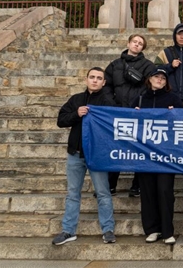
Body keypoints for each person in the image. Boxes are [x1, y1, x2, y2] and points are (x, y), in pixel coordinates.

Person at [52, 67, 117, 246]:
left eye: (99, 78)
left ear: (104, 82)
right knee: (73, 193)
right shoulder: (76, 99)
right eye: (92, 77)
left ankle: (108, 230)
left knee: (103, 193)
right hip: (75, 153)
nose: (95, 80)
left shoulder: (108, 101)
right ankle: (68, 230)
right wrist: (76, 114)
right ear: (86, 79)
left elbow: (116, 123)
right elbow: (61, 120)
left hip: (97, 155)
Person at [103, 33, 155, 197]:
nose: (137, 44)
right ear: (128, 43)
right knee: (116, 148)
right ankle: (110, 185)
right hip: (118, 112)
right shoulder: (115, 65)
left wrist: (142, 104)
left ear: (143, 48)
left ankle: (137, 186)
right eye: (134, 41)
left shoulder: (148, 65)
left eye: (140, 43)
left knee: (140, 149)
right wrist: (112, 104)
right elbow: (106, 86)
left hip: (138, 114)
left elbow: (151, 87)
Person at [134, 68, 182, 245]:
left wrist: (175, 114)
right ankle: (152, 229)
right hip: (144, 154)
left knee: (165, 191)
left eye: (163, 78)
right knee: (147, 193)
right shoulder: (140, 98)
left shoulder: (173, 98)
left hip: (166, 154)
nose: (160, 80)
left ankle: (167, 231)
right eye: (156, 77)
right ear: (149, 79)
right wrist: (134, 113)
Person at [154, 23, 183, 105]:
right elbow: (155, 70)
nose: (182, 37)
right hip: (168, 98)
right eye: (179, 34)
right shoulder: (165, 53)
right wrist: (170, 66)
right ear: (175, 35)